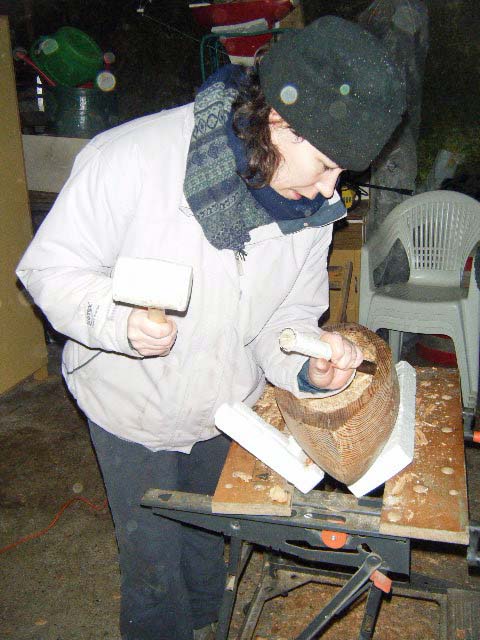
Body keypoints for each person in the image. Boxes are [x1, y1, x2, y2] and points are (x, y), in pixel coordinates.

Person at [17, 16, 406, 640]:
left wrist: (308, 366)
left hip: (226, 405)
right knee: (153, 568)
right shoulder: (131, 161)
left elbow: (283, 319)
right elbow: (49, 269)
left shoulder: (308, 212)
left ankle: (206, 624)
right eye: (328, 165)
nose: (331, 192)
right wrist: (116, 322)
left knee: (209, 544)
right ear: (280, 123)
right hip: (130, 407)